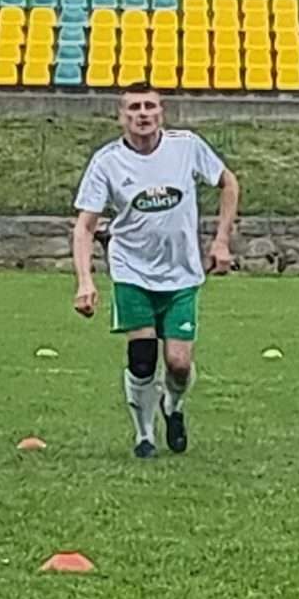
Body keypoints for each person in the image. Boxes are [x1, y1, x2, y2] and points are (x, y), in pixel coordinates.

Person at [73, 86, 240, 459]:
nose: (143, 113)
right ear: (122, 116)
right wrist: (85, 280)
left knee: (178, 364)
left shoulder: (186, 146)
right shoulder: (107, 161)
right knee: (143, 356)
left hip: (182, 273)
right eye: (134, 107)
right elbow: (85, 226)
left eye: (150, 106)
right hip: (131, 270)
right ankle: (144, 435)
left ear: (161, 112)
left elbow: (228, 183)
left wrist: (221, 241)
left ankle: (173, 406)